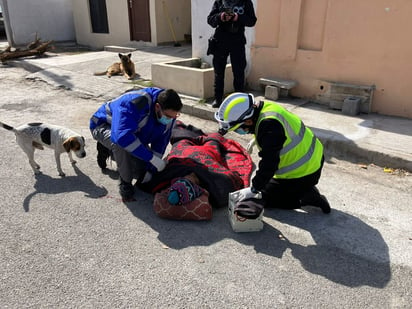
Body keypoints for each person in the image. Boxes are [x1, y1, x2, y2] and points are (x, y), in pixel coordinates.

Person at [214, 92, 331, 215]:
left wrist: (254, 189)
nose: (239, 131)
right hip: (314, 158)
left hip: (304, 171)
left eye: (238, 128)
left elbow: (269, 164)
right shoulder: (264, 107)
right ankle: (302, 189)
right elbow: (281, 133)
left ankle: (306, 198)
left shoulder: (269, 126)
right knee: (264, 189)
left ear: (248, 121)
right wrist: (259, 138)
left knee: (263, 198)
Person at [89, 87, 183, 201]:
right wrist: (151, 158)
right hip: (103, 126)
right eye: (168, 117)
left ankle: (111, 151)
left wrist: (151, 168)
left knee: (141, 171)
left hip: (131, 133)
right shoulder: (133, 104)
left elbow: (161, 141)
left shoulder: (168, 113)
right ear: (157, 107)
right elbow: (122, 137)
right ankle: (125, 182)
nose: (171, 119)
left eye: (175, 116)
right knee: (121, 147)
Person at [207, 0, 257, 108]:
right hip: (220, 41)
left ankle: (239, 101)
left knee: (239, 72)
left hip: (237, 42)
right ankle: (218, 98)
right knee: (219, 72)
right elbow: (210, 20)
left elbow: (252, 21)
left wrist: (238, 17)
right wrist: (221, 16)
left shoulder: (246, 2)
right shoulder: (219, 1)